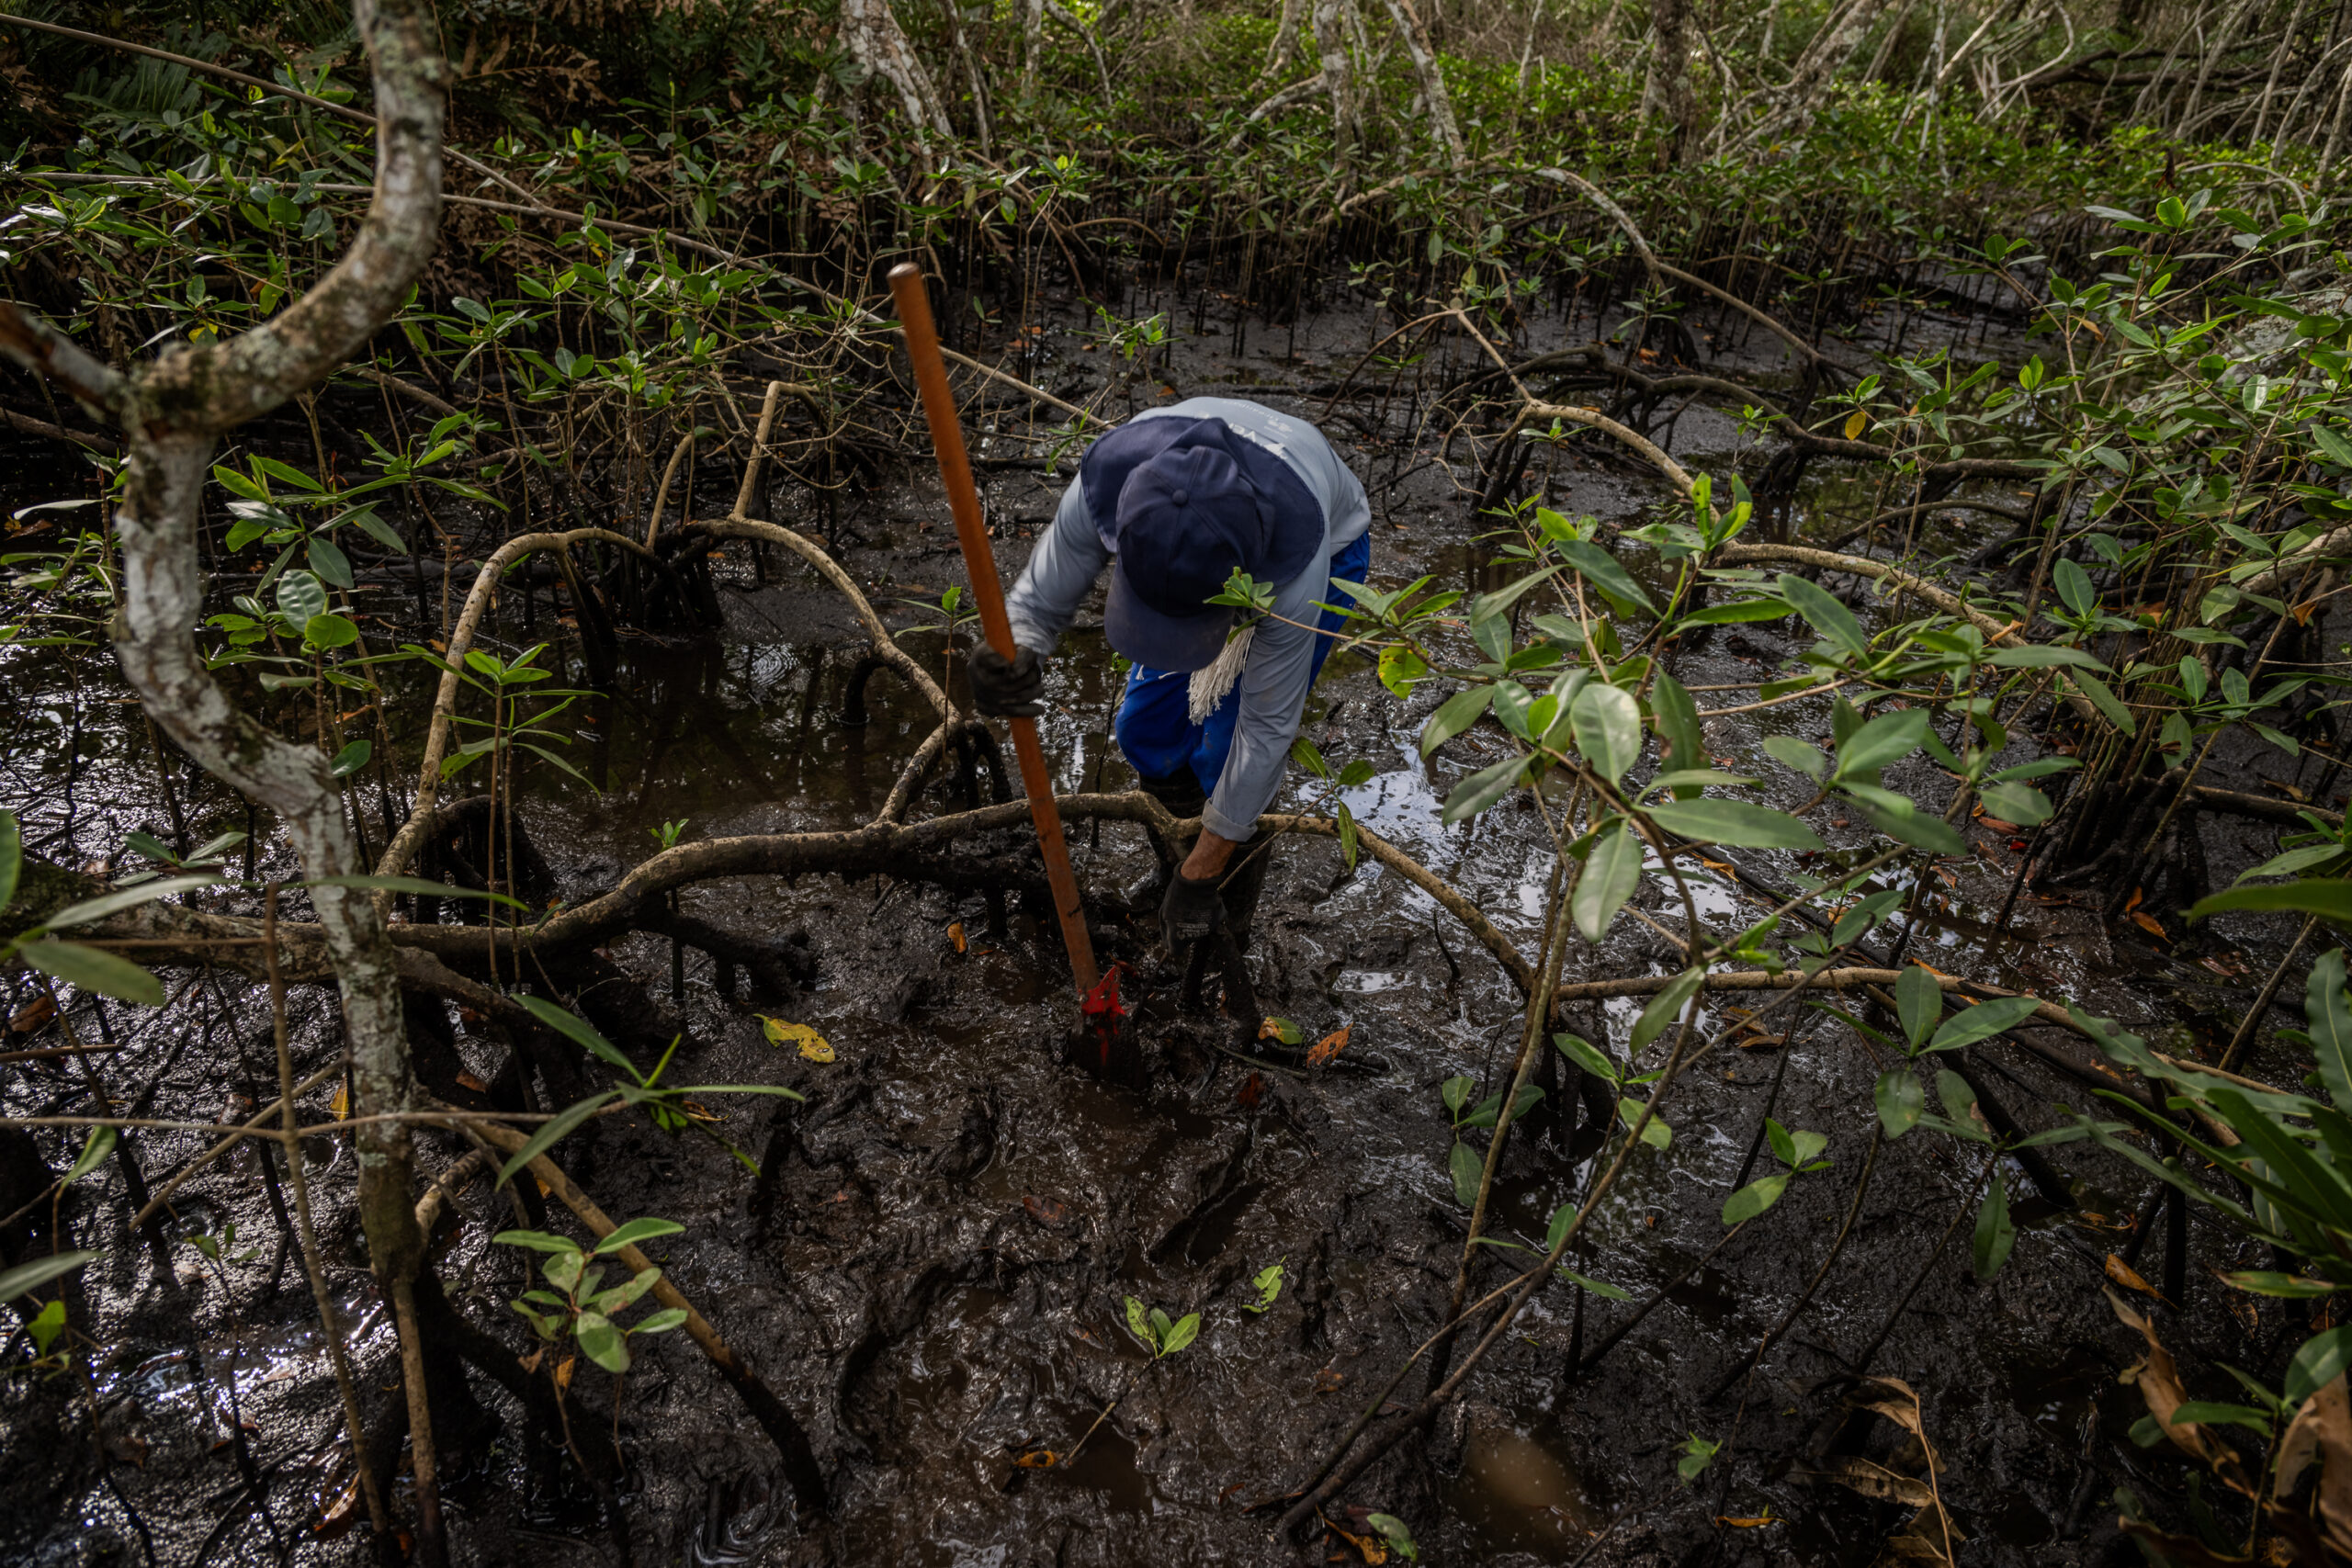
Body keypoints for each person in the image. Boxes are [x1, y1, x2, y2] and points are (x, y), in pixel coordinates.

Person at [967, 397, 1372, 955]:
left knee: (1225, 750)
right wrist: (1010, 652)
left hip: (1324, 545)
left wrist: (1203, 875)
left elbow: (1265, 730)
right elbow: (1036, 605)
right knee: (1146, 729)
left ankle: (1225, 914)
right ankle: (1176, 863)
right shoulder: (1112, 482)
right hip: (1193, 549)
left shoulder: (1297, 573)